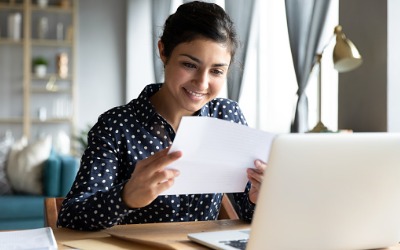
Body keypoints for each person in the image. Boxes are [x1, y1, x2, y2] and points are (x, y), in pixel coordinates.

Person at [58, 1, 267, 231]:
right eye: (189, 64)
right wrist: (124, 197)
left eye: (217, 71)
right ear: (163, 52)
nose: (202, 82)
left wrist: (261, 198)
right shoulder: (116, 126)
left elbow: (249, 213)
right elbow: (70, 217)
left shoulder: (227, 116)